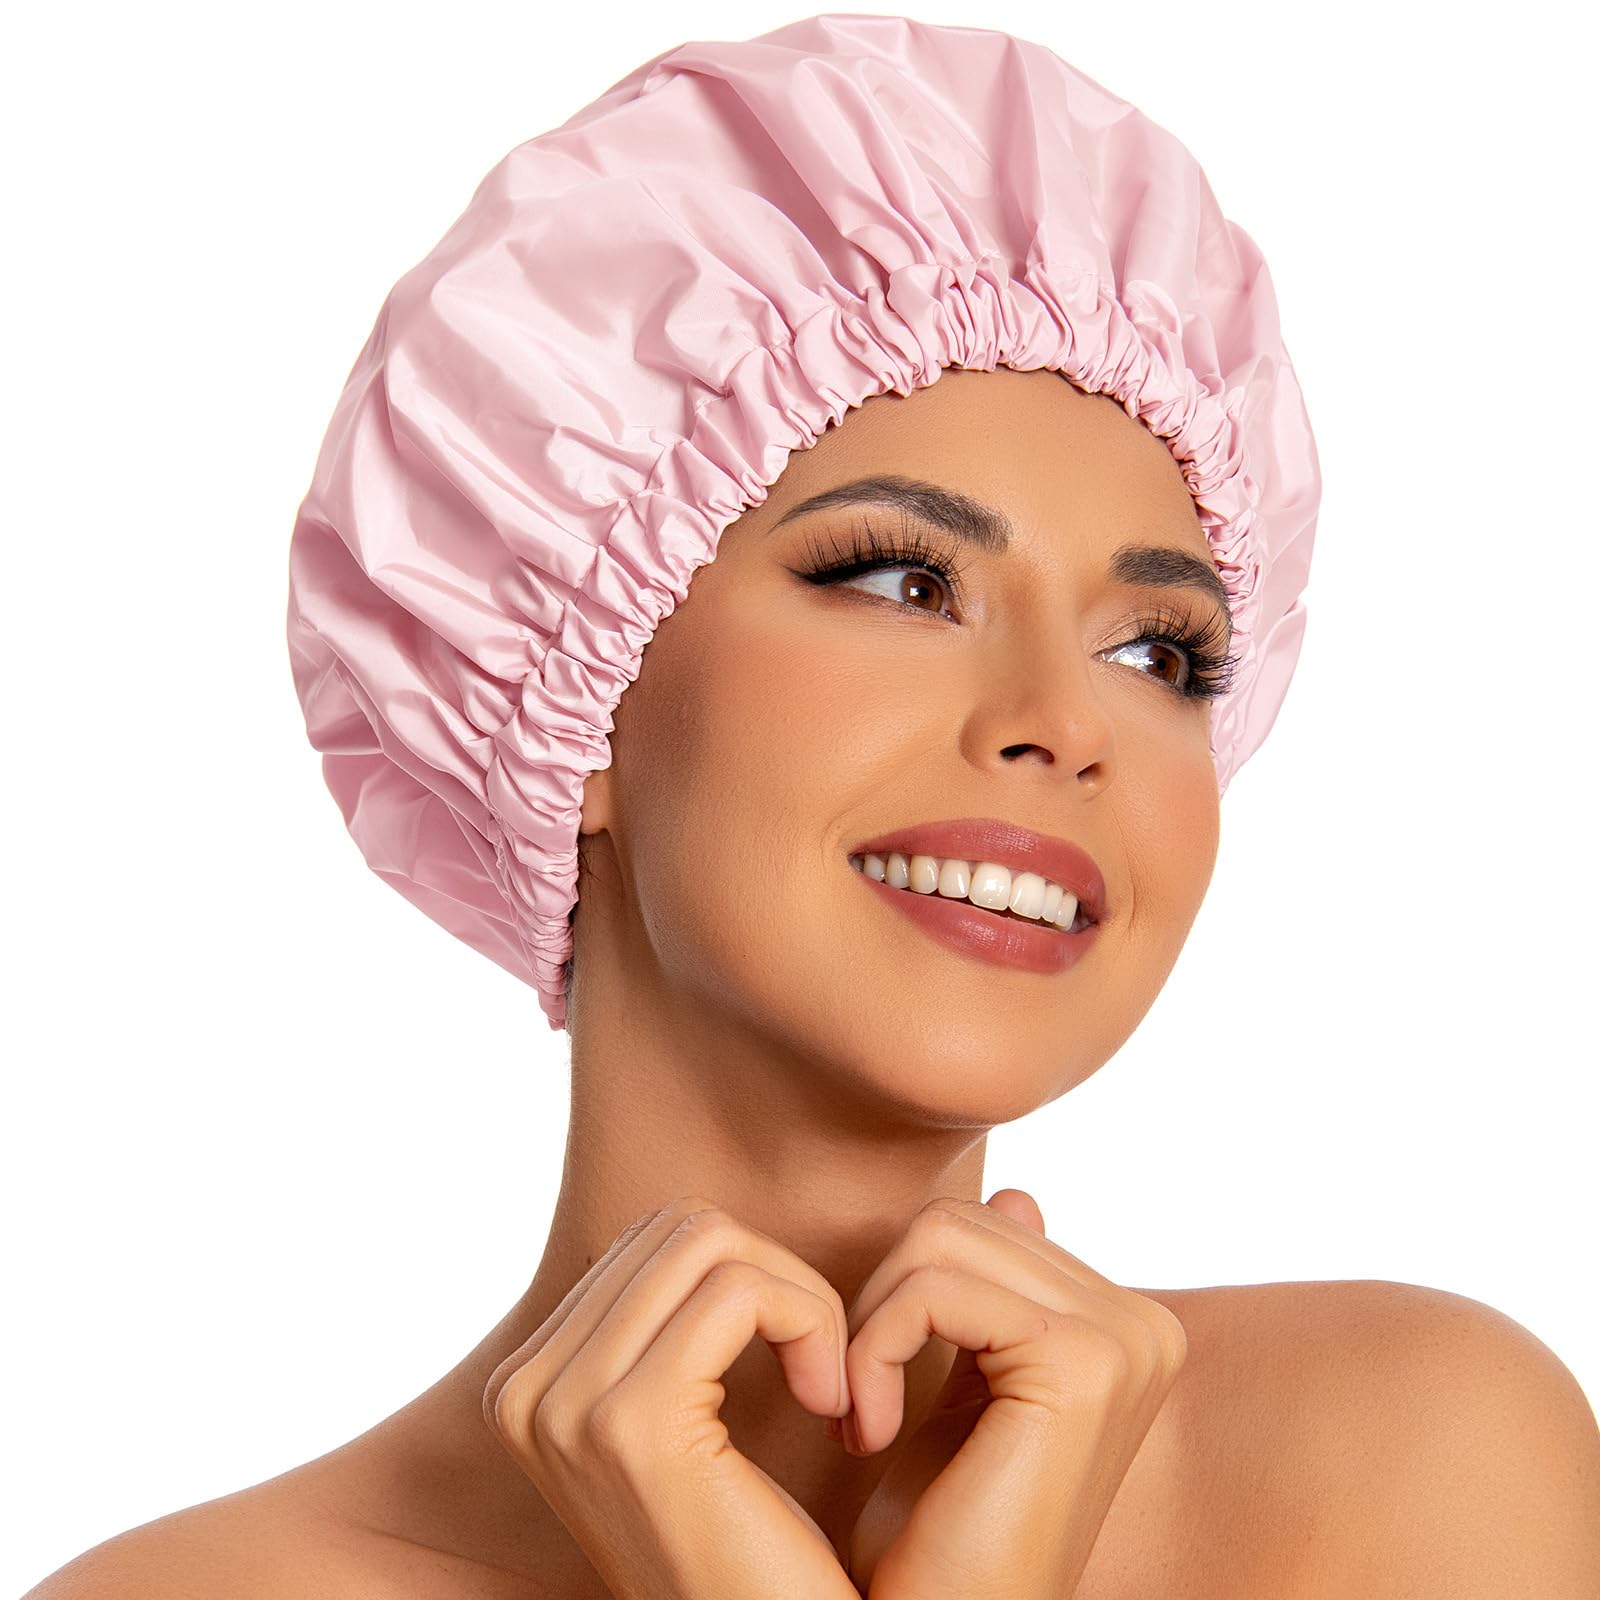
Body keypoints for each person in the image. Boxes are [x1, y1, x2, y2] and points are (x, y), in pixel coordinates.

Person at [27, 13, 1599, 1600]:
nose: (1066, 725)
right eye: (905, 581)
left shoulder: (1410, 1458)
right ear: (570, 686)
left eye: (1158, 653)